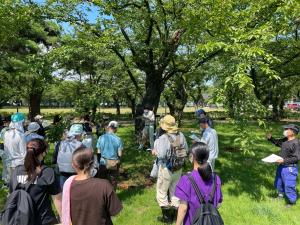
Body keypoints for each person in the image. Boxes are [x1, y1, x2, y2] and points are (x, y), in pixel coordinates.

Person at [61, 147, 122, 225]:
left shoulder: (68, 185)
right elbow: (115, 212)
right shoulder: (104, 185)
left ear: (73, 165)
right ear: (93, 163)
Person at [10, 138, 62, 225]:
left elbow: (12, 194)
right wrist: (64, 219)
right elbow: (58, 199)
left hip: (21, 219)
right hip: (43, 220)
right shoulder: (47, 172)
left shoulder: (17, 171)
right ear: (44, 153)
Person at [175, 142, 223, 225]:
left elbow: (183, 208)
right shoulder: (216, 178)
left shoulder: (186, 179)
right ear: (207, 156)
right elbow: (218, 204)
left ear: (192, 157)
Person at [152, 115, 188, 223]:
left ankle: (167, 218)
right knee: (175, 191)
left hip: (166, 169)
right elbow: (186, 149)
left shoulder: (163, 138)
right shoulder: (180, 135)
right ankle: (177, 216)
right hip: (178, 168)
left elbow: (162, 155)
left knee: (161, 192)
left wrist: (155, 152)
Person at [267, 124, 300, 207]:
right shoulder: (285, 140)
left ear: (292, 132)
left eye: (286, 129)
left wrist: (283, 160)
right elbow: (278, 143)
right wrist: (271, 138)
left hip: (290, 168)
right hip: (281, 166)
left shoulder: (296, 143)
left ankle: (291, 202)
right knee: (279, 182)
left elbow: (296, 158)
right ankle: (280, 196)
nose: (284, 130)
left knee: (289, 185)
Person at [96, 121, 123, 189]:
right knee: (113, 182)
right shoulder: (118, 139)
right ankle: (111, 197)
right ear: (116, 128)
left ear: (109, 127)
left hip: (103, 162)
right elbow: (120, 154)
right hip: (113, 163)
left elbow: (98, 152)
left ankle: (102, 197)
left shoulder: (101, 137)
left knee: (102, 181)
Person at [57, 124, 84, 188]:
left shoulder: (62, 143)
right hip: (74, 171)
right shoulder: (80, 144)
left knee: (63, 187)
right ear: (79, 135)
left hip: (61, 169)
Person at [3, 112, 27, 182]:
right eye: (23, 123)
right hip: (19, 164)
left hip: (8, 162)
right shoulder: (21, 135)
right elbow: (23, 153)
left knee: (11, 184)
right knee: (19, 184)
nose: (23, 124)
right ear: (20, 123)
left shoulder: (6, 133)